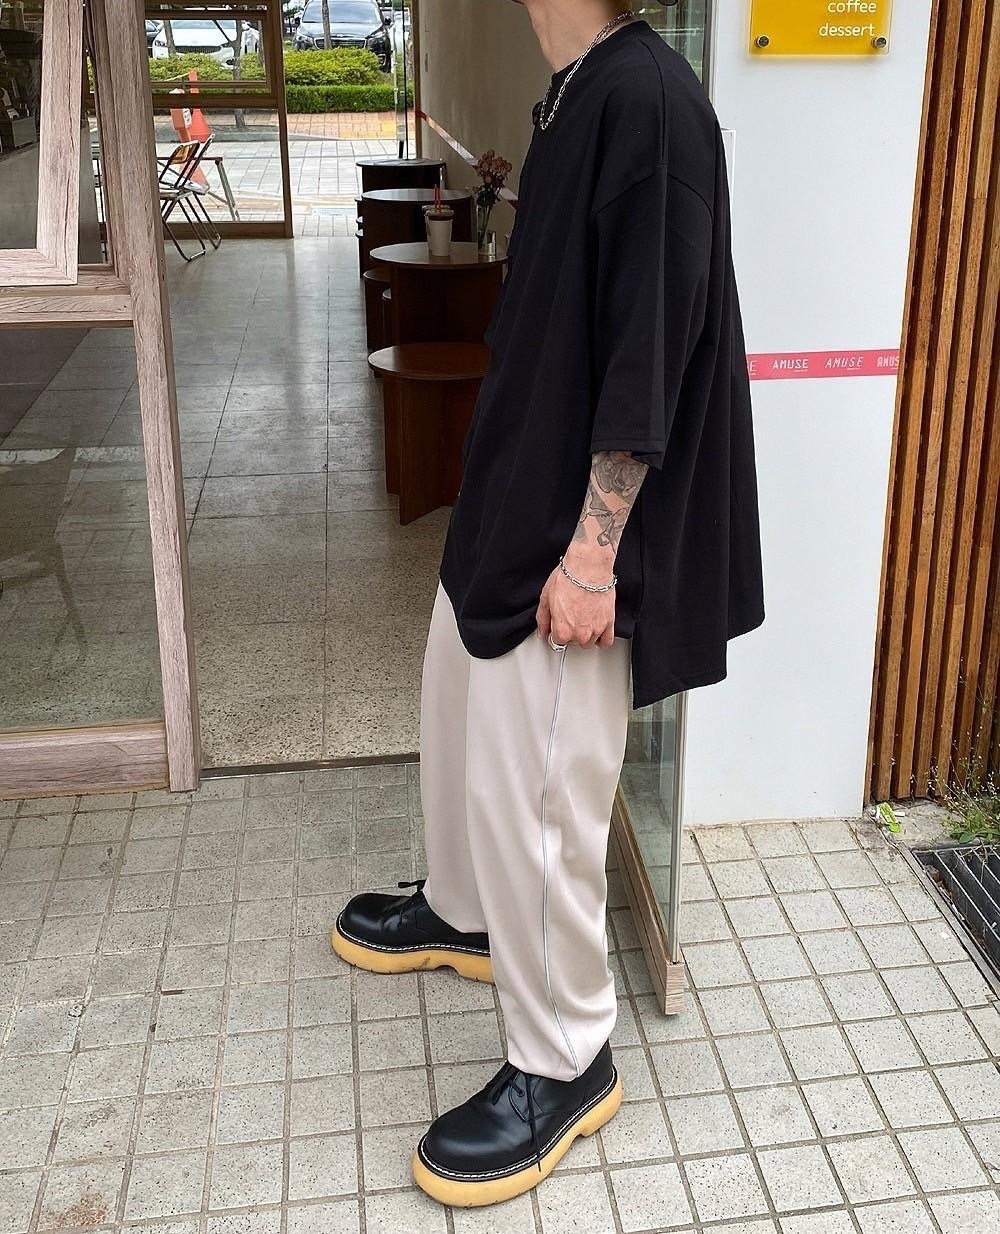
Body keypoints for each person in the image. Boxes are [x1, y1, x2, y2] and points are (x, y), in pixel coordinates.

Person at [333, 0, 765, 1208]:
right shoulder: (581, 86)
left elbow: (651, 349)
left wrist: (591, 556)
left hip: (572, 531)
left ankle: (567, 1056)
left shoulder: (651, 104)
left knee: (541, 792)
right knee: (460, 712)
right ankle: (467, 913)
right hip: (511, 498)